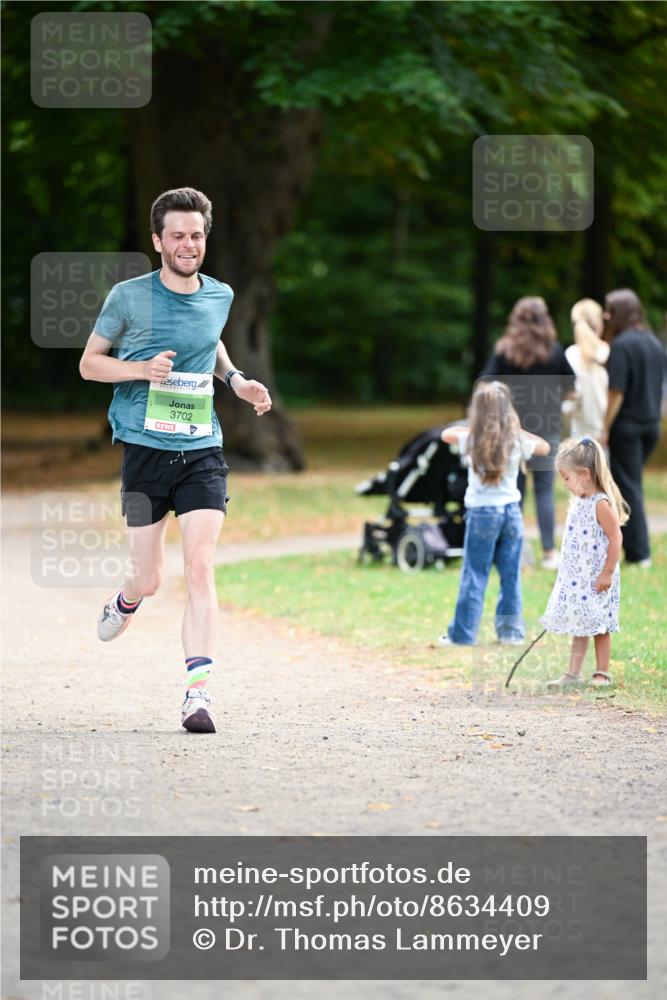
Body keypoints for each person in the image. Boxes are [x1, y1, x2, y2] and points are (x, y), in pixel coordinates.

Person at [79, 186, 272, 734]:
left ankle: (197, 695)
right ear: (158, 241)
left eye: (197, 235)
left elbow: (210, 343)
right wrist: (141, 370)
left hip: (200, 448)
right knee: (150, 578)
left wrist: (236, 381)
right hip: (144, 450)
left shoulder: (220, 295)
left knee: (200, 566)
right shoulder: (128, 297)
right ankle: (127, 598)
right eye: (178, 236)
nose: (189, 244)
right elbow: (90, 364)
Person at [438, 380, 550, 647]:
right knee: (511, 575)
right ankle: (511, 633)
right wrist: (516, 429)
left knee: (475, 574)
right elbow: (544, 446)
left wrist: (477, 426)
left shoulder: (472, 439)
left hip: (482, 513)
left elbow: (446, 434)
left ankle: (463, 635)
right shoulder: (516, 440)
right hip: (511, 512)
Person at [480, 296, 575, 570]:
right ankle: (549, 552)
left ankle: (516, 551)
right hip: (547, 429)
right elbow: (571, 388)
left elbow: (486, 384)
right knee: (544, 491)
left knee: (514, 490)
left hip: (513, 431)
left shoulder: (505, 350)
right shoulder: (554, 351)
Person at [542, 438, 628, 689]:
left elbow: (616, 538)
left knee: (599, 626)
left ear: (585, 474)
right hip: (578, 579)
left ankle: (602, 673)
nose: (565, 484)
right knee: (579, 625)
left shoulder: (600, 504)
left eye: (567, 477)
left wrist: (607, 572)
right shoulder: (579, 501)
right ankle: (573, 674)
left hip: (597, 578)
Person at [601, 288, 665, 566]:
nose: (606, 316)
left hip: (627, 427)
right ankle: (634, 549)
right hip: (651, 426)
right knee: (632, 484)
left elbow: (616, 392)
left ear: (619, 313)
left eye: (609, 311)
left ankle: (640, 553)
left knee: (628, 488)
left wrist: (604, 427)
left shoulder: (622, 345)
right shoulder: (653, 342)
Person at [564, 299, 609, 440]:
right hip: (603, 435)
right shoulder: (607, 353)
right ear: (599, 325)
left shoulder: (571, 354)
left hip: (576, 434)